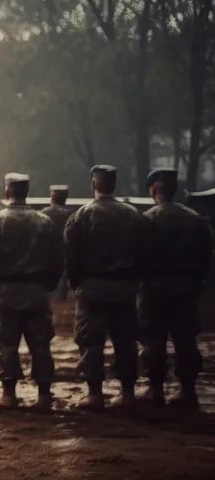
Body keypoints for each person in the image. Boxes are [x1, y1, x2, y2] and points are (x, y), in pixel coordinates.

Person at [64, 165, 149, 410]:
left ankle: (94, 393)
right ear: (115, 185)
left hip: (92, 288)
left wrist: (76, 284)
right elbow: (144, 253)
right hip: (124, 288)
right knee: (126, 341)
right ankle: (128, 393)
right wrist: (134, 281)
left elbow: (72, 255)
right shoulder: (134, 215)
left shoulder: (81, 216)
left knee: (91, 341)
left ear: (93, 184)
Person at [0, 173, 62, 410]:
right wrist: (49, 285)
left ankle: (9, 394)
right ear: (27, 191)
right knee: (41, 343)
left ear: (7, 191)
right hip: (37, 291)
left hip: (6, 292)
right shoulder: (43, 221)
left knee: (6, 343)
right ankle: (44, 395)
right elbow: (57, 259)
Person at [139, 168, 212, 407]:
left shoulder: (146, 219)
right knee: (185, 339)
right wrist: (196, 282)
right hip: (185, 287)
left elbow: (137, 255)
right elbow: (206, 255)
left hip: (154, 288)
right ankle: (188, 390)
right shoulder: (195, 219)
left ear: (153, 190)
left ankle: (155, 388)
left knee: (153, 338)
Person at [41, 185, 74, 300]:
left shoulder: (44, 213)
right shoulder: (71, 215)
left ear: (52, 197)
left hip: (47, 253)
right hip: (66, 252)